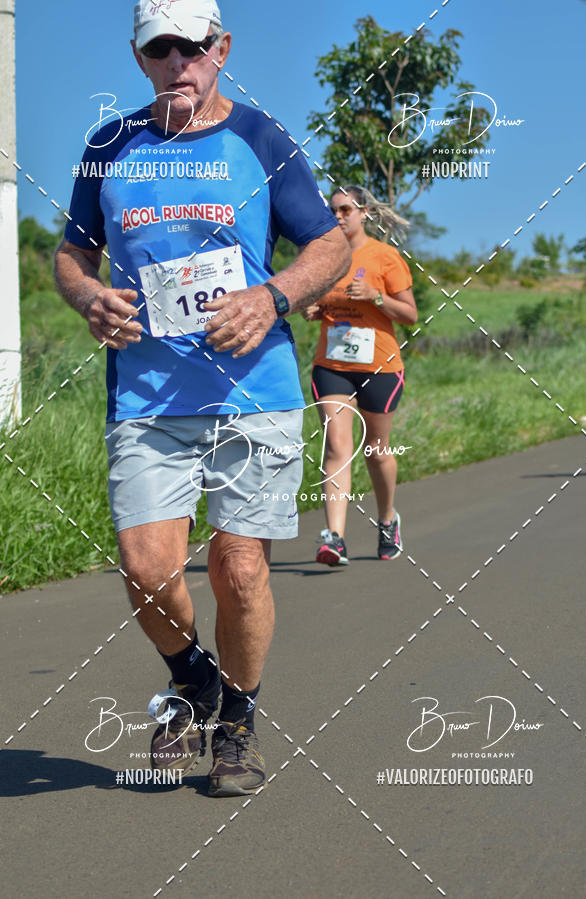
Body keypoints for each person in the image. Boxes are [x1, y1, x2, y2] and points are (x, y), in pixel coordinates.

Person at [54, 0, 350, 797]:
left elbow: (328, 242)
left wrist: (274, 297)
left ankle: (237, 728)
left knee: (239, 567)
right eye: (161, 50)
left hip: (255, 392)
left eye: (193, 47)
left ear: (221, 49)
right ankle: (195, 677)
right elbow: (73, 255)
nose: (178, 62)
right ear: (140, 57)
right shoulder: (110, 145)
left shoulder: (260, 139)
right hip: (147, 399)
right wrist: (87, 298)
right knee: (147, 568)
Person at [303, 185, 418, 566]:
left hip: (380, 368)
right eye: (332, 211)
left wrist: (375, 296)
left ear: (364, 212)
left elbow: (409, 315)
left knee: (376, 452)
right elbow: (318, 300)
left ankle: (388, 519)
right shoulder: (320, 256)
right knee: (337, 446)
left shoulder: (385, 256)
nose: (338, 217)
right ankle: (334, 538)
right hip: (332, 366)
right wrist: (314, 310)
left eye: (345, 210)